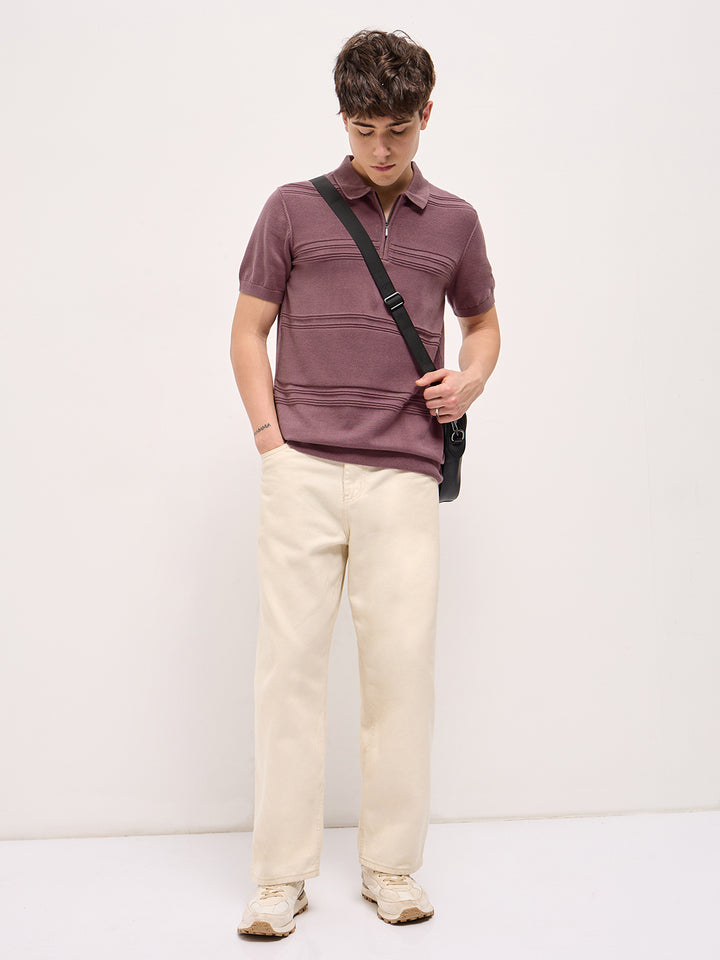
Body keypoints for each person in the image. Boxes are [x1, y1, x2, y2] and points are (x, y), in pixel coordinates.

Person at [230, 28, 500, 937]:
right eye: (362, 129)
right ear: (342, 118)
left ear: (427, 116)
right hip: (301, 468)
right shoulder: (291, 210)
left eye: (398, 129)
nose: (380, 149)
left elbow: (484, 326)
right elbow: (247, 329)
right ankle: (279, 878)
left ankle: (391, 867)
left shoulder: (455, 221)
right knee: (288, 673)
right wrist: (270, 441)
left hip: (403, 475)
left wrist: (469, 380)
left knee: (401, 675)